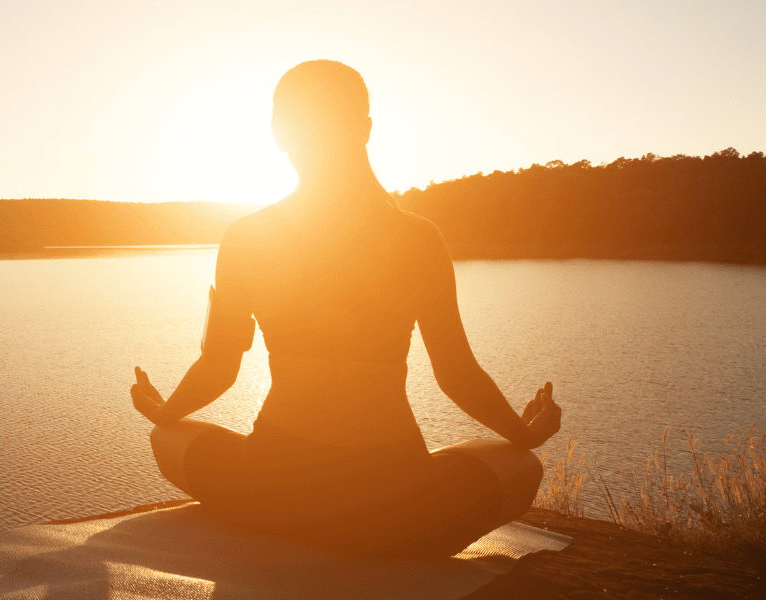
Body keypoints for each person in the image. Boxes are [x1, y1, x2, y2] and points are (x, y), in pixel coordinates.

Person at [129, 60, 563, 559]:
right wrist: (524, 433)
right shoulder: (418, 238)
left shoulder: (246, 238)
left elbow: (219, 368)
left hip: (271, 490)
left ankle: (296, 519)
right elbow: (456, 374)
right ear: (365, 128)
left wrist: (164, 411)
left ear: (279, 134)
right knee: (522, 466)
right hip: (395, 507)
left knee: (166, 438)